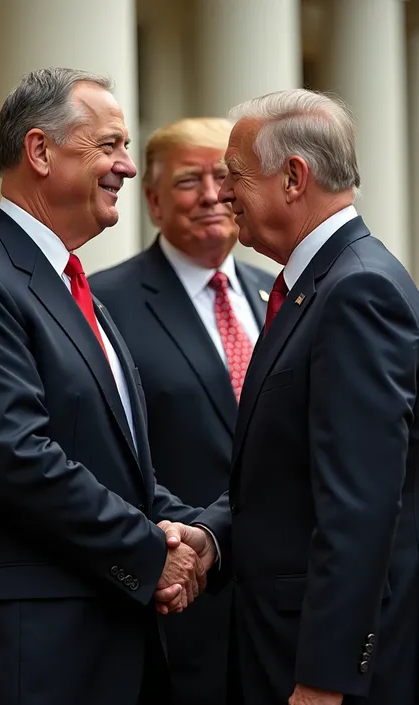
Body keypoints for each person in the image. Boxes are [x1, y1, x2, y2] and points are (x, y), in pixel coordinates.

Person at [0, 67, 207, 705]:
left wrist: (193, 534)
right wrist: (150, 552)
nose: (128, 166)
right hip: (34, 655)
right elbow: (14, 459)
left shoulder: (72, 286)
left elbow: (113, 463)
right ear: (39, 151)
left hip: (109, 641)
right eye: (110, 146)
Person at [159, 89, 419, 705]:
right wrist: (213, 536)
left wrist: (326, 678)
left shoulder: (356, 292)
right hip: (278, 644)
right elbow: (289, 471)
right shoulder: (318, 285)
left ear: (294, 177)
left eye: (236, 177)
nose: (222, 196)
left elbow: (360, 505)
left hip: (321, 672)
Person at [89, 117, 274, 705]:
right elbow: (102, 453)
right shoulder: (99, 303)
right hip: (172, 600)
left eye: (225, 177)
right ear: (152, 200)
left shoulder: (284, 294)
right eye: (190, 180)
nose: (213, 195)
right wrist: (183, 549)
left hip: (280, 604)